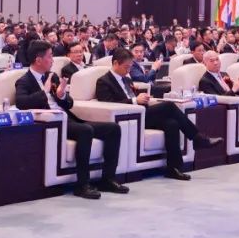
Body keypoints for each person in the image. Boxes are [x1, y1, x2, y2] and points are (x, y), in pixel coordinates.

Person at [15, 41, 126, 199]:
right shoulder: (24, 81)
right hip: (54, 123)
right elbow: (21, 103)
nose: (53, 60)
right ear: (38, 60)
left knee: (113, 129)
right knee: (85, 130)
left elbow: (70, 103)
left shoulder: (52, 77)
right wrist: (44, 92)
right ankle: (82, 185)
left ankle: (108, 179)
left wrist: (62, 96)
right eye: (49, 56)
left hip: (69, 120)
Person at [94, 49, 221, 180]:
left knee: (172, 123)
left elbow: (132, 97)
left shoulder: (126, 79)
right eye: (126, 67)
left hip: (140, 113)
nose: (128, 70)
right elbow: (108, 104)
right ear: (115, 63)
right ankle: (197, 138)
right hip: (127, 118)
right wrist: (134, 100)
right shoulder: (104, 81)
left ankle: (174, 168)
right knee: (169, 106)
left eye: (130, 67)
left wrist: (141, 98)